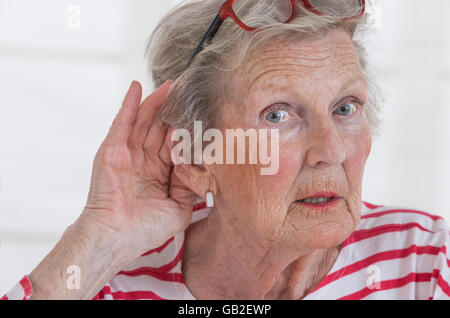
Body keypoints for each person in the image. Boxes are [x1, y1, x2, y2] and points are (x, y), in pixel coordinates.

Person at [2, 0, 449, 300]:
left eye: (346, 107)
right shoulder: (112, 278)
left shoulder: (427, 264)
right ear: (196, 157)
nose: (330, 151)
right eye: (278, 115)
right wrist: (100, 239)